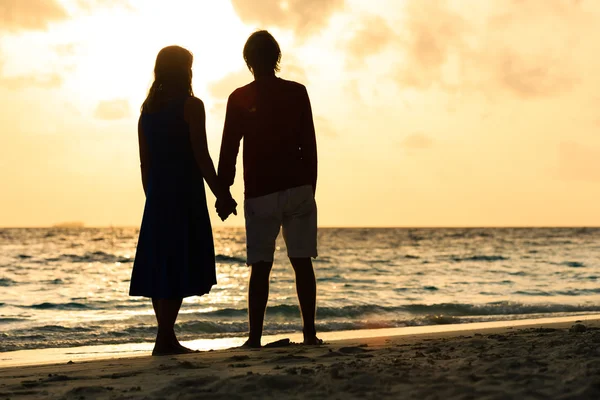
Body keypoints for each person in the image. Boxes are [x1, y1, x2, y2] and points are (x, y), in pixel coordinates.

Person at [130, 45, 237, 356]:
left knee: (162, 263)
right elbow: (201, 156)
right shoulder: (192, 106)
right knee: (176, 262)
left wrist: (154, 197)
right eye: (189, 66)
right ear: (183, 70)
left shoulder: (146, 112)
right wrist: (223, 195)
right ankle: (165, 339)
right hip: (184, 193)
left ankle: (165, 337)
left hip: (158, 195)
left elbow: (144, 165)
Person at [217, 31, 320, 348]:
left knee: (260, 266)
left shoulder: (239, 98)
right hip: (298, 187)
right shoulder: (297, 92)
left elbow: (229, 150)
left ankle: (254, 338)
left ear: (248, 61)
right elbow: (310, 146)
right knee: (302, 262)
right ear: (277, 59)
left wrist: (224, 194)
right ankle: (309, 334)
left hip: (261, 191)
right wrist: (310, 188)